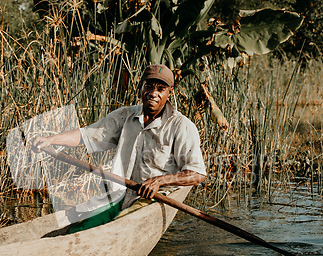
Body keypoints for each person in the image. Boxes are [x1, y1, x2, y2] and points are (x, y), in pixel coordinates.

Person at [32, 64, 206, 233]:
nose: (153, 93)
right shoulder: (125, 116)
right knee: (80, 228)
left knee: (114, 228)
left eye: (161, 89)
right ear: (140, 87)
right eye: (149, 86)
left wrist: (159, 181)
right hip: (120, 193)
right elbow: (86, 135)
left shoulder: (181, 126)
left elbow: (197, 174)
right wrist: (51, 140)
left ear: (170, 92)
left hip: (152, 198)